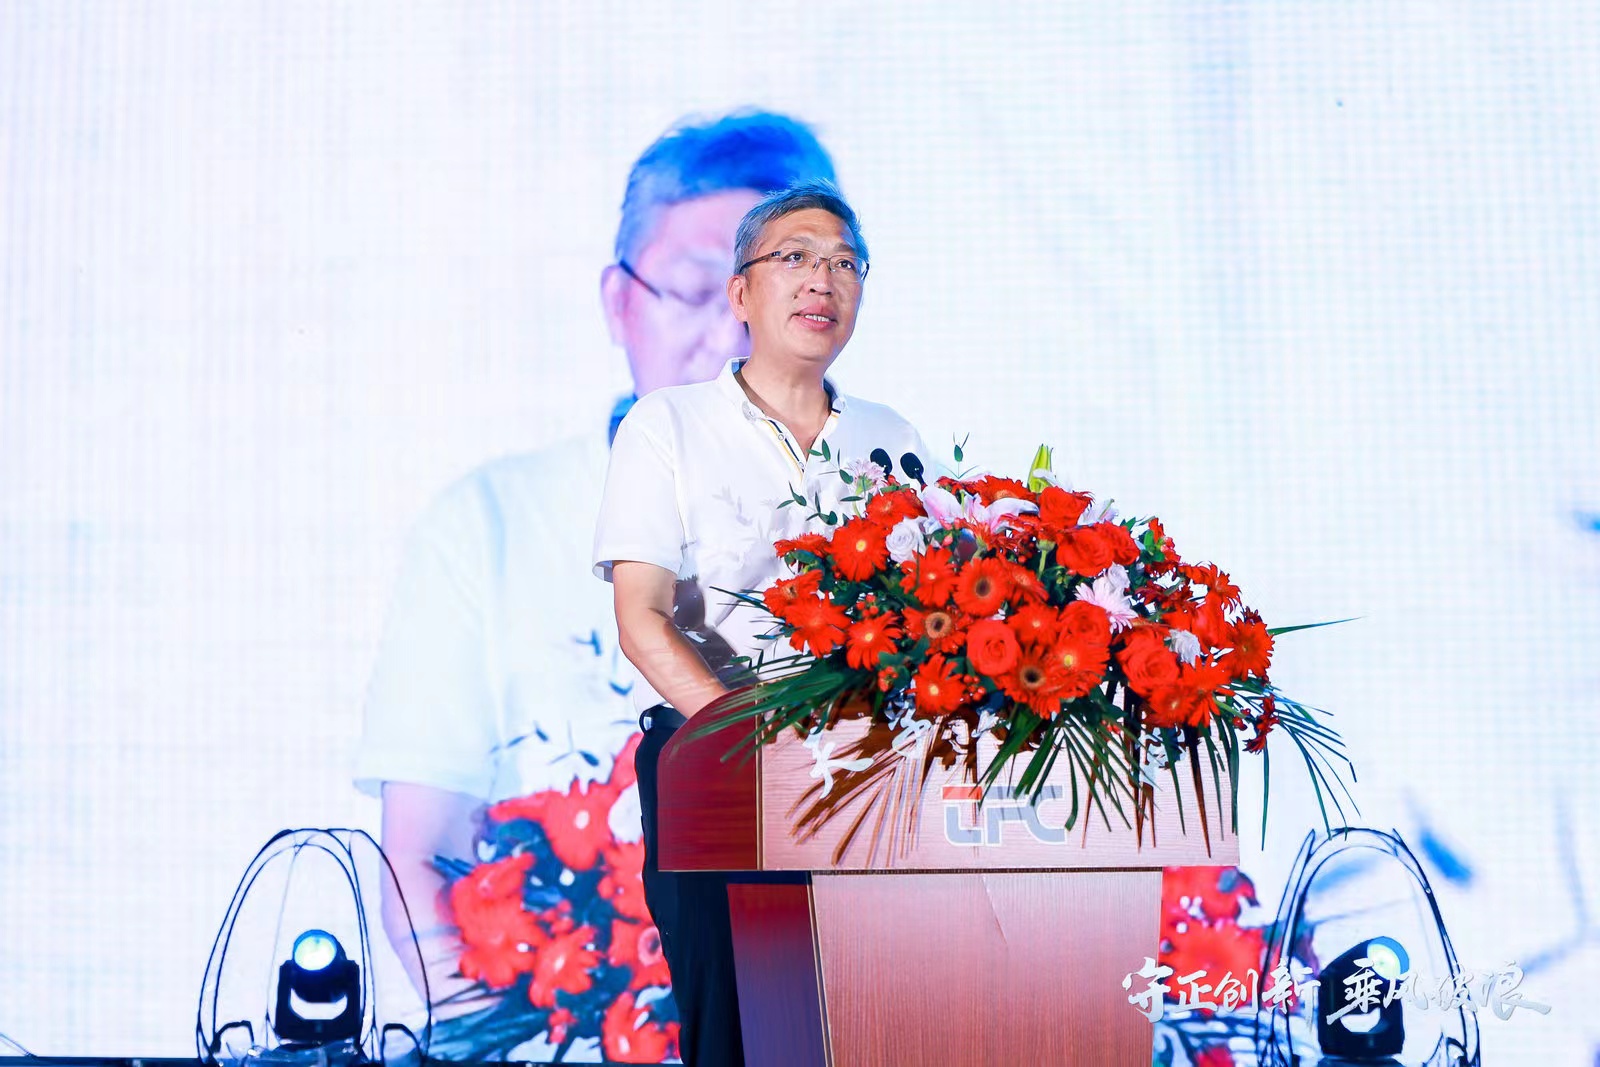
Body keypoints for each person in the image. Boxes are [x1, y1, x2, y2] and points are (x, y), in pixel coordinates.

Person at [355, 112, 839, 1053]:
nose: (734, 335)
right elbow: (418, 861)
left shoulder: (896, 537)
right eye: (696, 290)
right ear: (621, 303)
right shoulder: (488, 526)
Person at [593, 179, 931, 1066]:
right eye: (797, 258)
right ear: (740, 293)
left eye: (845, 264)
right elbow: (641, 619)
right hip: (720, 773)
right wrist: (760, 747)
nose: (824, 280)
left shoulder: (891, 439)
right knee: (753, 1040)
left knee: (864, 1035)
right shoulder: (669, 425)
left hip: (868, 781)